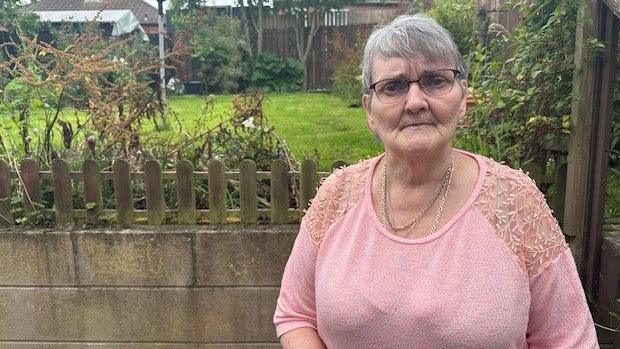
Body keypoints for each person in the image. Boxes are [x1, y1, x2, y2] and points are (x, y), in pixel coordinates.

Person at [273, 14, 598, 348]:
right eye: (393, 87)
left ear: (462, 99)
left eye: (435, 80)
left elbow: (570, 339)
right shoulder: (336, 196)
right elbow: (296, 314)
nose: (415, 102)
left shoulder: (515, 203)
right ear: (370, 110)